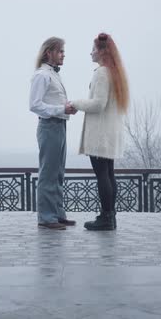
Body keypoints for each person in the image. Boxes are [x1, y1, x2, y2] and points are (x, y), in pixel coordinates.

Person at [68, 33, 129, 231]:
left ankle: (106, 217)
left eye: (93, 49)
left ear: (103, 51)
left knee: (102, 174)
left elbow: (98, 104)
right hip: (110, 133)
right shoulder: (115, 72)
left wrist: (74, 103)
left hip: (100, 134)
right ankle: (110, 217)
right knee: (109, 174)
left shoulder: (102, 72)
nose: (91, 52)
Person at [29, 37, 77, 230]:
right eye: (60, 51)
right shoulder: (42, 75)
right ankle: (46, 218)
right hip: (49, 126)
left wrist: (65, 108)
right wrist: (61, 109)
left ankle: (57, 214)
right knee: (48, 172)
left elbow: (53, 103)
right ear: (49, 52)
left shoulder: (53, 75)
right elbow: (34, 105)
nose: (63, 55)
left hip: (59, 126)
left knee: (57, 173)